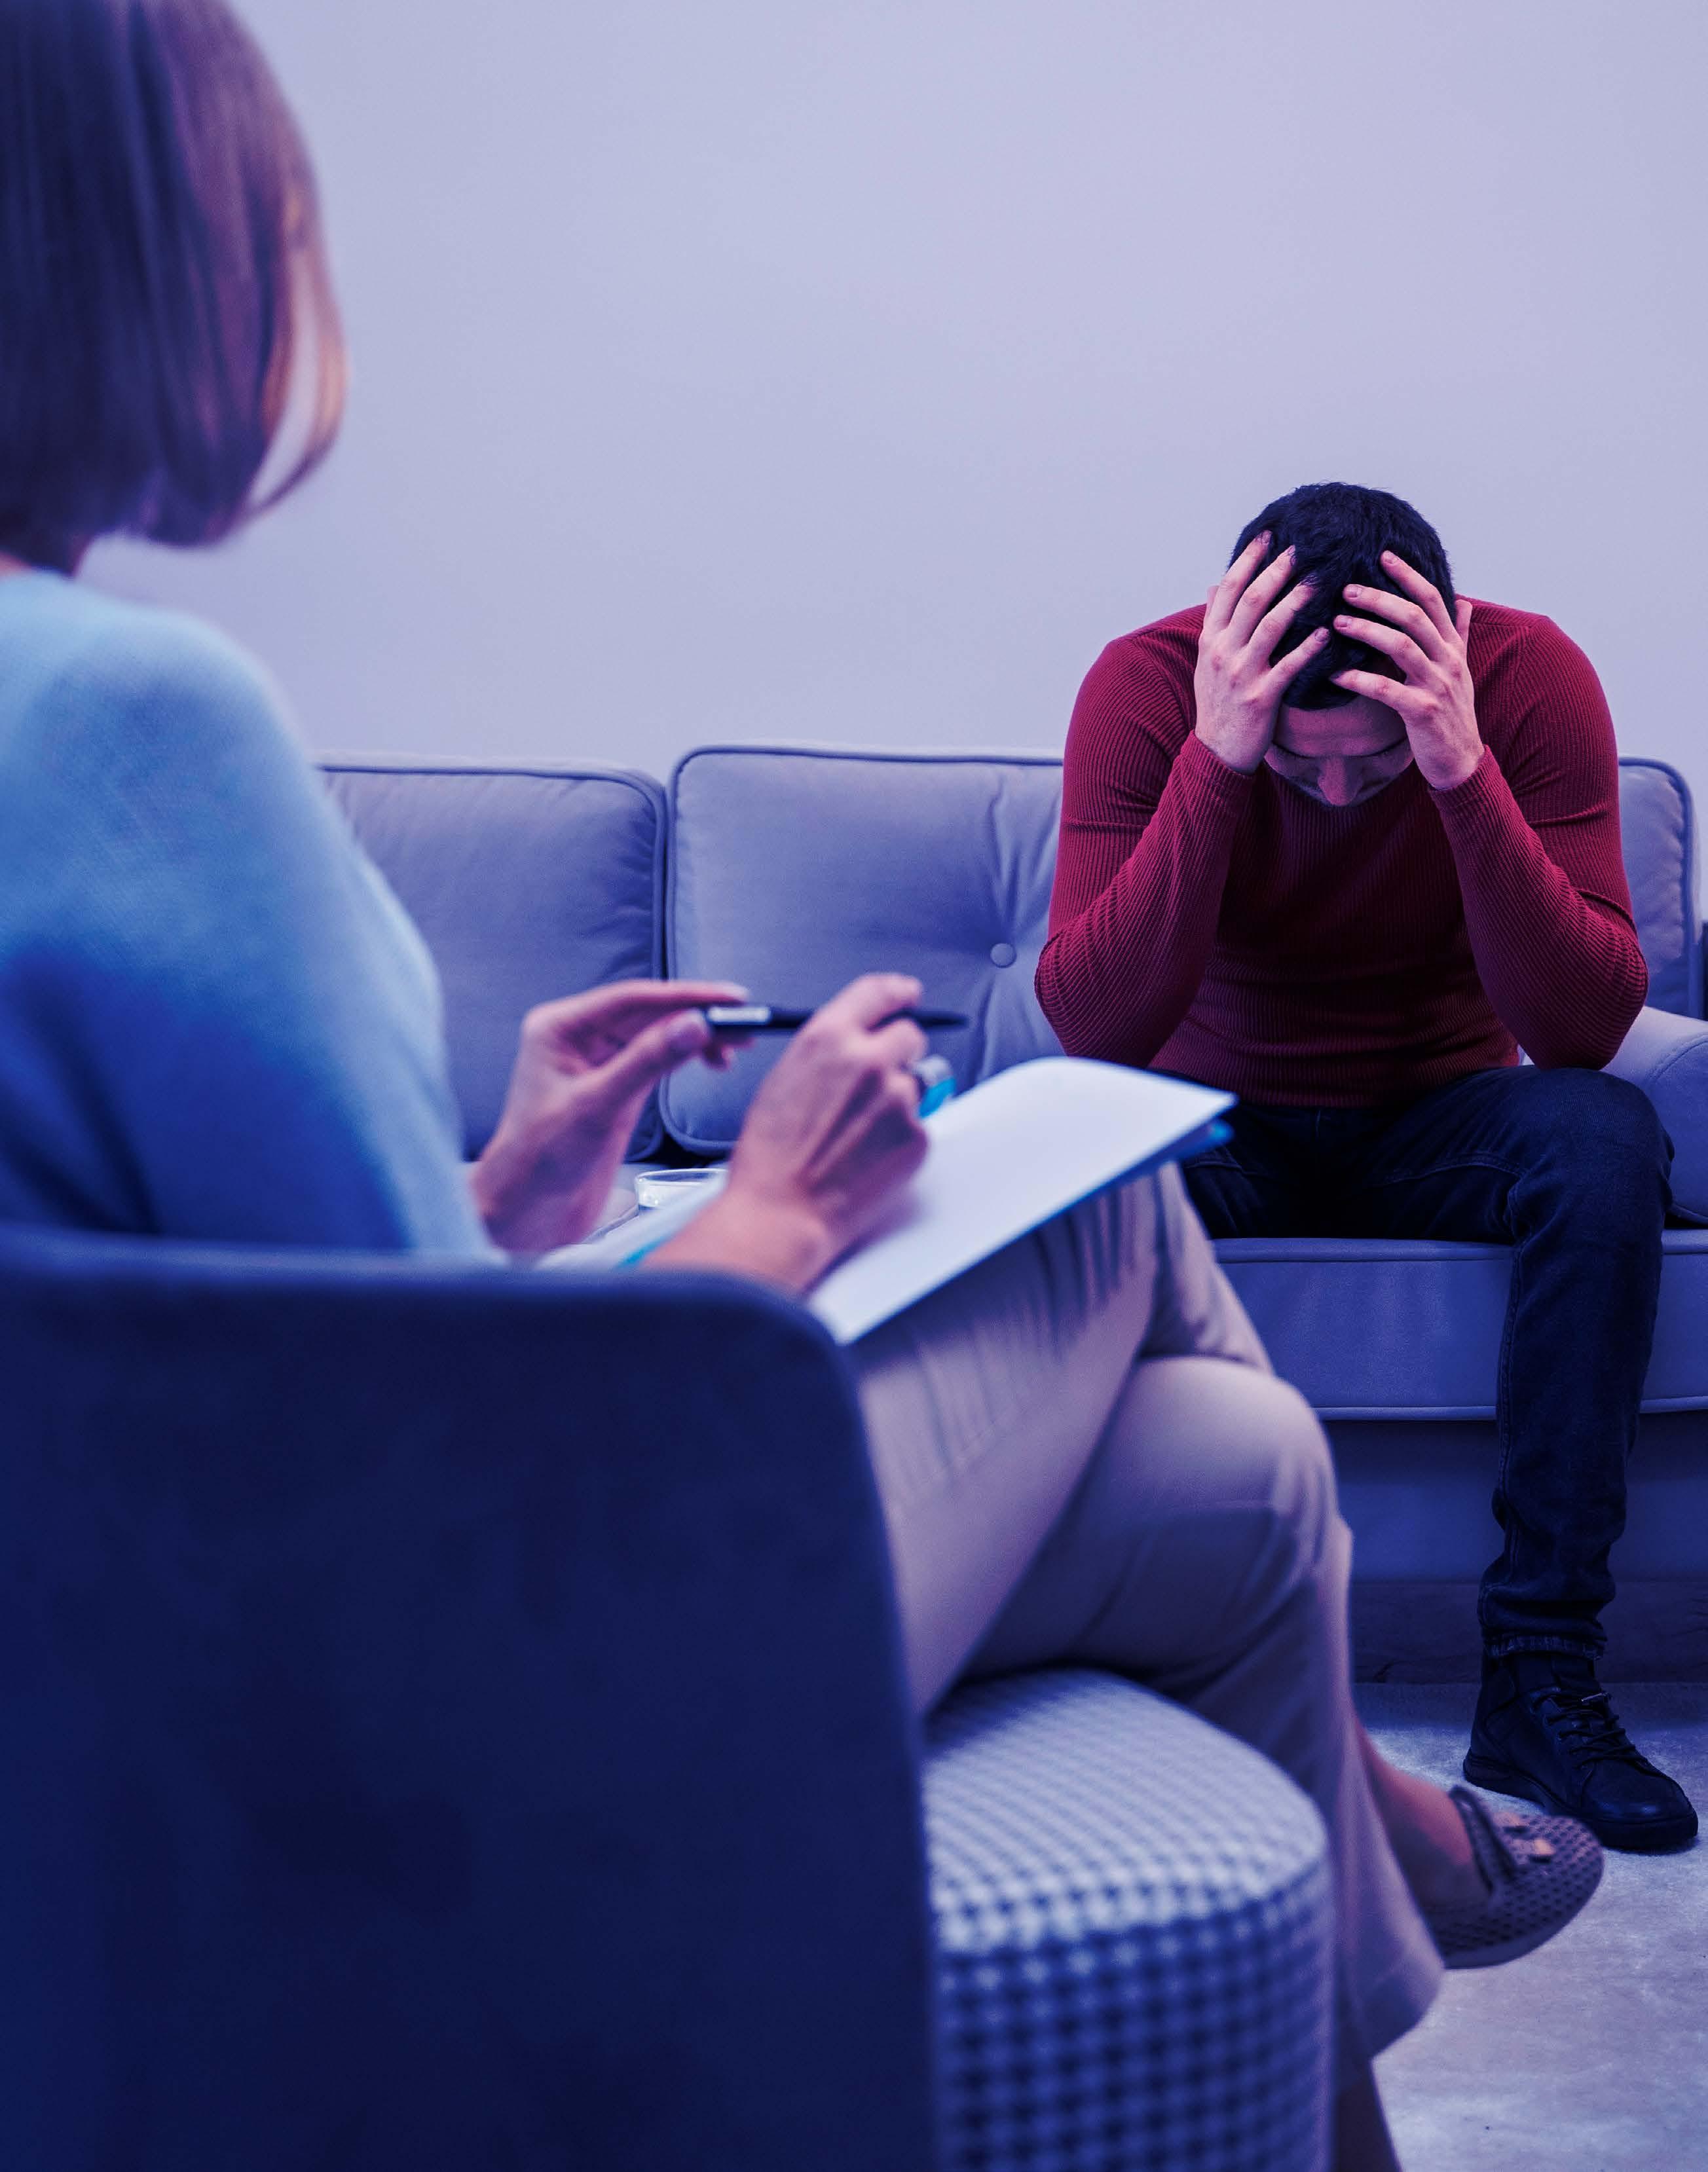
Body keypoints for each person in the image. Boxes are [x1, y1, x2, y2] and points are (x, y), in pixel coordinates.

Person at [0, 10, 1601, 2166]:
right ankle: (1403, 1832)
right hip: (453, 1683)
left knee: (1233, 1469)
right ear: (148, 252)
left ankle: (1382, 1883)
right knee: (1112, 1188)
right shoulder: (136, 725)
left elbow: (224, 1335)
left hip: (191, 1623)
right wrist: (767, 1205)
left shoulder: (77, 721)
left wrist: (506, 1192)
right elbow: (414, 1459)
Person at [1037, 479, 1696, 1858]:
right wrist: (1218, 760)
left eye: (1374, 761)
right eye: (1302, 764)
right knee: (1065, 1164)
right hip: (1215, 1119)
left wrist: (1456, 771)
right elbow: (1095, 1024)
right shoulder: (1146, 686)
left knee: (1602, 1137)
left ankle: (1537, 1679)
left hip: (1440, 1116)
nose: (1337, 792)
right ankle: (1110, 1677)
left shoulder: (1527, 679)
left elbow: (1580, 1029)